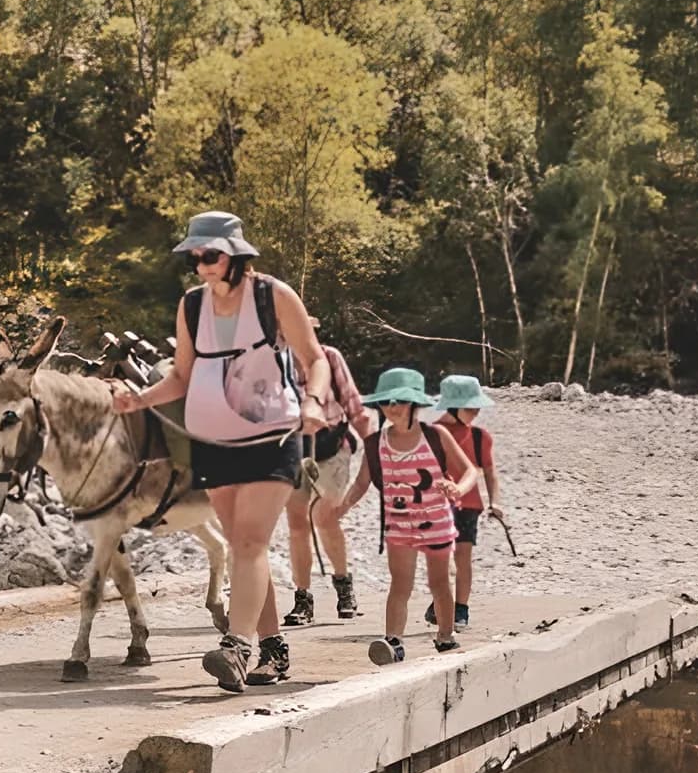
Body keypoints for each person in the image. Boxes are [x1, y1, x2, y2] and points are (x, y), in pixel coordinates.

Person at [111, 211, 330, 692]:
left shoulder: (274, 296)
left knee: (250, 542)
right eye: (195, 257)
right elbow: (181, 377)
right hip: (212, 440)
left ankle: (236, 646)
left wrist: (314, 401)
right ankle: (273, 651)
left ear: (236, 256)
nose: (201, 265)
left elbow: (314, 359)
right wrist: (138, 400)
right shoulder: (192, 306)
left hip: (270, 435)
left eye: (209, 255)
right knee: (244, 547)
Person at [341, 367, 470, 665]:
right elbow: (362, 482)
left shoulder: (436, 436)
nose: (391, 409)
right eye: (386, 403)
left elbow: (469, 472)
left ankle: (445, 636)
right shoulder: (376, 443)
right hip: (398, 525)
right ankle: (393, 642)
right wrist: (343, 506)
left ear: (415, 405)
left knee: (439, 583)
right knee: (400, 584)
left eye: (398, 402)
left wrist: (456, 487)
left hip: (436, 523)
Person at [282, 318, 374, 626]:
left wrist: (375, 449)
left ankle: (343, 584)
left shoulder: (329, 357)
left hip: (332, 445)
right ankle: (302, 598)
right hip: (291, 449)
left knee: (325, 516)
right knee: (297, 522)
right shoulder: (273, 365)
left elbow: (353, 403)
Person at [432, 374, 505, 630]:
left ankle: (460, 608)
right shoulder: (432, 434)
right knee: (442, 558)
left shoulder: (479, 436)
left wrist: (495, 502)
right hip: (438, 506)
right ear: (452, 406)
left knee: (463, 556)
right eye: (470, 407)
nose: (476, 412)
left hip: (470, 506)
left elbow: (490, 472)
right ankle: (442, 601)